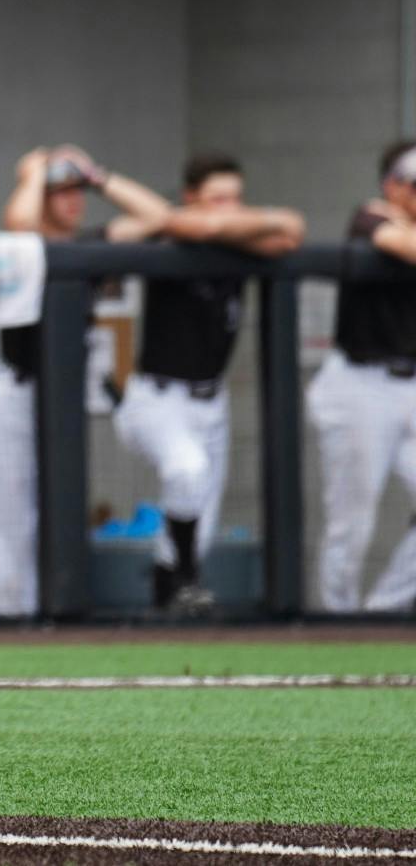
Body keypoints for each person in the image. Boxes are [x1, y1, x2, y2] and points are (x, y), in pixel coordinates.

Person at [0, 146, 169, 617]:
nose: (72, 201)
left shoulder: (91, 244)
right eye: (59, 193)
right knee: (8, 513)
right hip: (16, 389)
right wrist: (33, 172)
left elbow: (158, 217)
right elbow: (20, 224)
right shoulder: (23, 243)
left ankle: (52, 615)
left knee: (58, 508)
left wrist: (99, 176)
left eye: (76, 192)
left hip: (65, 393)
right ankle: (7, 617)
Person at [114, 153, 302, 615]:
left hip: (210, 400)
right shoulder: (170, 236)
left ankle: (169, 586)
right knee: (187, 470)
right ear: (190, 197)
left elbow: (291, 232)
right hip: (157, 398)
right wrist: (106, 179)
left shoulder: (244, 245)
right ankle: (183, 578)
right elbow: (162, 226)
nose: (228, 208)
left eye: (236, 199)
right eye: (216, 199)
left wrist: (229, 225)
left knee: (202, 514)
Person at [307, 141, 416, 614]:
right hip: (360, 383)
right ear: (391, 186)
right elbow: (399, 241)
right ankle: (338, 616)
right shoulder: (370, 217)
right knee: (353, 518)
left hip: (410, 382)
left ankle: (383, 608)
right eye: (412, 185)